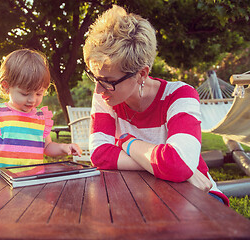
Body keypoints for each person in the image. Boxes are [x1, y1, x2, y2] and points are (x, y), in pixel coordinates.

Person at [83, 5, 229, 205]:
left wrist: (125, 142)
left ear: (141, 74)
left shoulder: (179, 95)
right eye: (95, 78)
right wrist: (169, 165)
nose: (98, 90)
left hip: (198, 194)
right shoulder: (106, 95)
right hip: (140, 192)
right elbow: (99, 155)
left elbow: (178, 164)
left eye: (108, 81)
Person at [0, 49, 82, 199]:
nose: (32, 100)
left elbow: (47, 147)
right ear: (6, 86)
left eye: (39, 94)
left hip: (31, 185)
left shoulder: (41, 118)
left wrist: (64, 147)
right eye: (25, 94)